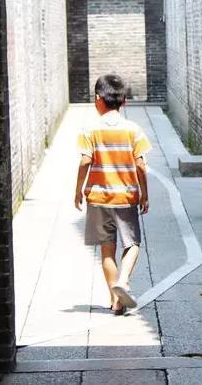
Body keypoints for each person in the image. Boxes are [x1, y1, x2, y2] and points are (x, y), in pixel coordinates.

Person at [75, 73, 151, 315]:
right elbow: (140, 165)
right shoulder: (133, 130)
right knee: (133, 244)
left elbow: (85, 162)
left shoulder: (90, 129)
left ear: (97, 99)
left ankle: (115, 301)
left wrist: (78, 190)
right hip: (126, 196)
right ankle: (124, 281)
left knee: (107, 249)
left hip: (98, 198)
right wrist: (144, 194)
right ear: (124, 102)